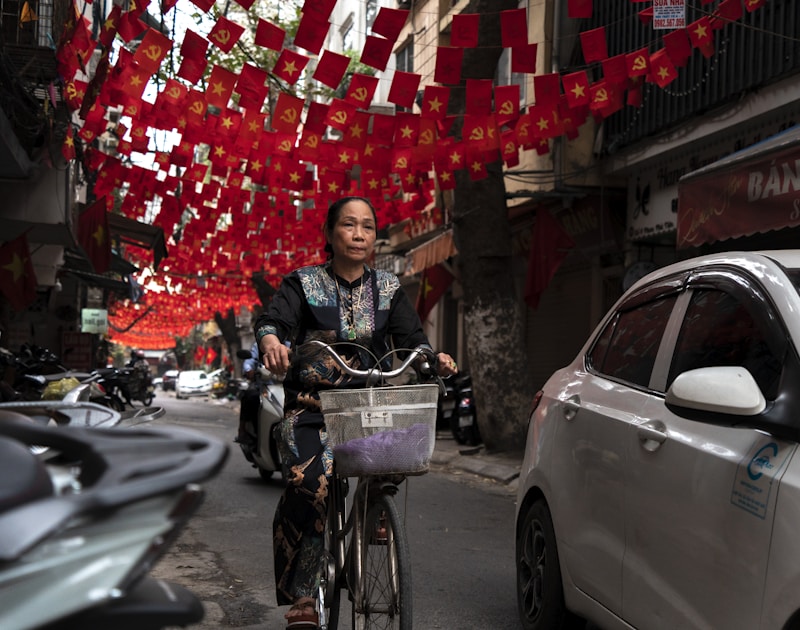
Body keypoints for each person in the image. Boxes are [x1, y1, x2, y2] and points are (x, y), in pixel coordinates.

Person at [254, 195, 458, 628]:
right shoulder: (302, 283)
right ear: (329, 234)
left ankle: (370, 507)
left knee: (400, 446)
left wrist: (432, 357)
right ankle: (305, 596)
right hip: (314, 407)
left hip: (370, 403)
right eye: (349, 225)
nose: (359, 234)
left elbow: (413, 339)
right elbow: (273, 322)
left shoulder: (387, 288)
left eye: (367, 226)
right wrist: (271, 341)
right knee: (309, 482)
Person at [235, 342, 260, 450]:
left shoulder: (293, 342)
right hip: (264, 387)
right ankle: (243, 431)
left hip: (287, 387)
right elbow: (249, 362)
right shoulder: (261, 343)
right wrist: (249, 370)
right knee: (249, 397)